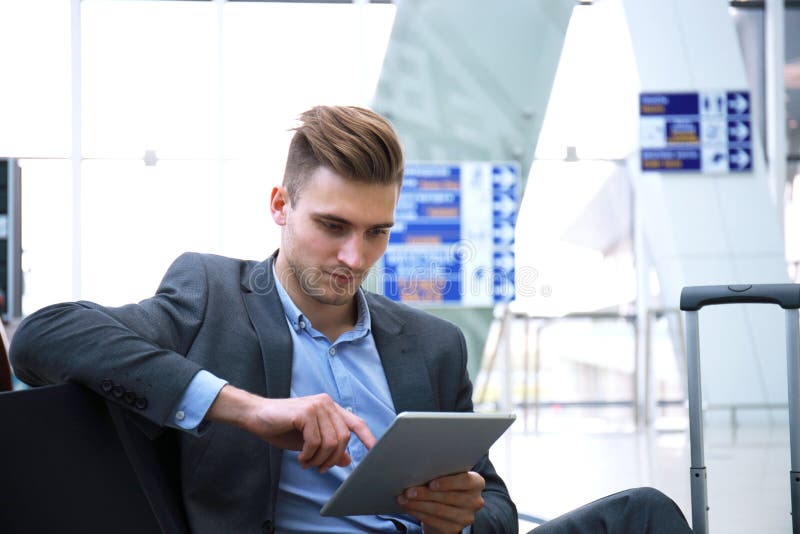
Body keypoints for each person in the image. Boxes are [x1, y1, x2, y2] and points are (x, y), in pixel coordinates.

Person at [10, 105, 692, 534]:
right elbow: (45, 336)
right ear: (280, 205)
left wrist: (463, 515)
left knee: (644, 512)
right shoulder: (211, 294)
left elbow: (496, 507)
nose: (353, 256)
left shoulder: (431, 346)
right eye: (332, 225)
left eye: (376, 233)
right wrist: (246, 409)